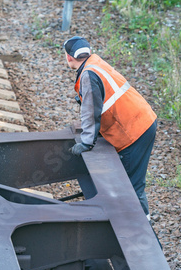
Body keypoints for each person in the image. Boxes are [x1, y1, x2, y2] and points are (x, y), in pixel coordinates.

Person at [64, 36, 157, 219]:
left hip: (133, 132)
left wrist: (87, 142)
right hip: (142, 121)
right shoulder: (96, 63)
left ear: (68, 57)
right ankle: (137, 220)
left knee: (130, 184)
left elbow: (91, 110)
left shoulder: (88, 74)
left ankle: (141, 226)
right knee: (132, 180)